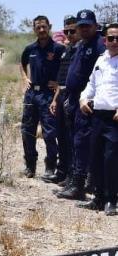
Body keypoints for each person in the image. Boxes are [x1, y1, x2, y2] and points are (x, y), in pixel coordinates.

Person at [58, 9, 106, 201]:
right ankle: (75, 179)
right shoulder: (81, 44)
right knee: (74, 140)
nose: (83, 29)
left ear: (95, 25)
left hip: (88, 100)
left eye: (87, 25)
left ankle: (80, 184)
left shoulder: (100, 45)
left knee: (82, 142)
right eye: (81, 26)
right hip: (75, 97)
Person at [78, 22, 118, 216]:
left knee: (111, 160)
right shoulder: (101, 60)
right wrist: (83, 98)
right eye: (111, 38)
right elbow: (90, 84)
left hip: (115, 118)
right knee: (95, 158)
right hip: (97, 116)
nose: (114, 41)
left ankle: (112, 200)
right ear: (105, 40)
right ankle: (98, 198)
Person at [20, 16, 66, 179]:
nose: (41, 30)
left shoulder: (59, 49)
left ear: (49, 27)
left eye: (44, 27)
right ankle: (30, 165)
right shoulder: (30, 49)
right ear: (34, 29)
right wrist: (25, 78)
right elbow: (22, 63)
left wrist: (59, 84)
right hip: (32, 94)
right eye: (38, 27)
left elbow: (66, 69)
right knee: (27, 131)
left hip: (49, 94)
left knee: (49, 133)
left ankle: (50, 166)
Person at [48, 16, 81, 184]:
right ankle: (62, 171)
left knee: (71, 138)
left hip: (74, 98)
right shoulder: (66, 50)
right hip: (61, 96)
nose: (69, 34)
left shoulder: (81, 50)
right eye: (66, 31)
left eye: (72, 31)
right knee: (60, 135)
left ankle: (72, 175)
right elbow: (60, 80)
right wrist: (55, 100)